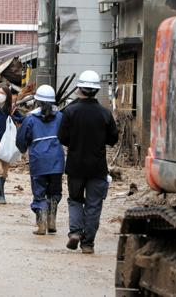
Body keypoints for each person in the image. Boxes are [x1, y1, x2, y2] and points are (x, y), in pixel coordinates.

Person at [58, 70, 118, 254]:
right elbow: (113, 139)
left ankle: (75, 232)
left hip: (75, 166)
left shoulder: (69, 112)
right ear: (96, 90)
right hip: (98, 168)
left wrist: (75, 143)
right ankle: (88, 243)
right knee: (94, 205)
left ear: (79, 89)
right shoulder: (105, 114)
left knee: (75, 200)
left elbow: (62, 138)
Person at [16, 85, 65, 235]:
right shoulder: (60, 117)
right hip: (57, 160)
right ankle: (52, 222)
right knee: (54, 192)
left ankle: (41, 224)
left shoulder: (30, 119)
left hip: (38, 161)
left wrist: (23, 149)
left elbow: (21, 140)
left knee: (39, 192)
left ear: (37, 101)